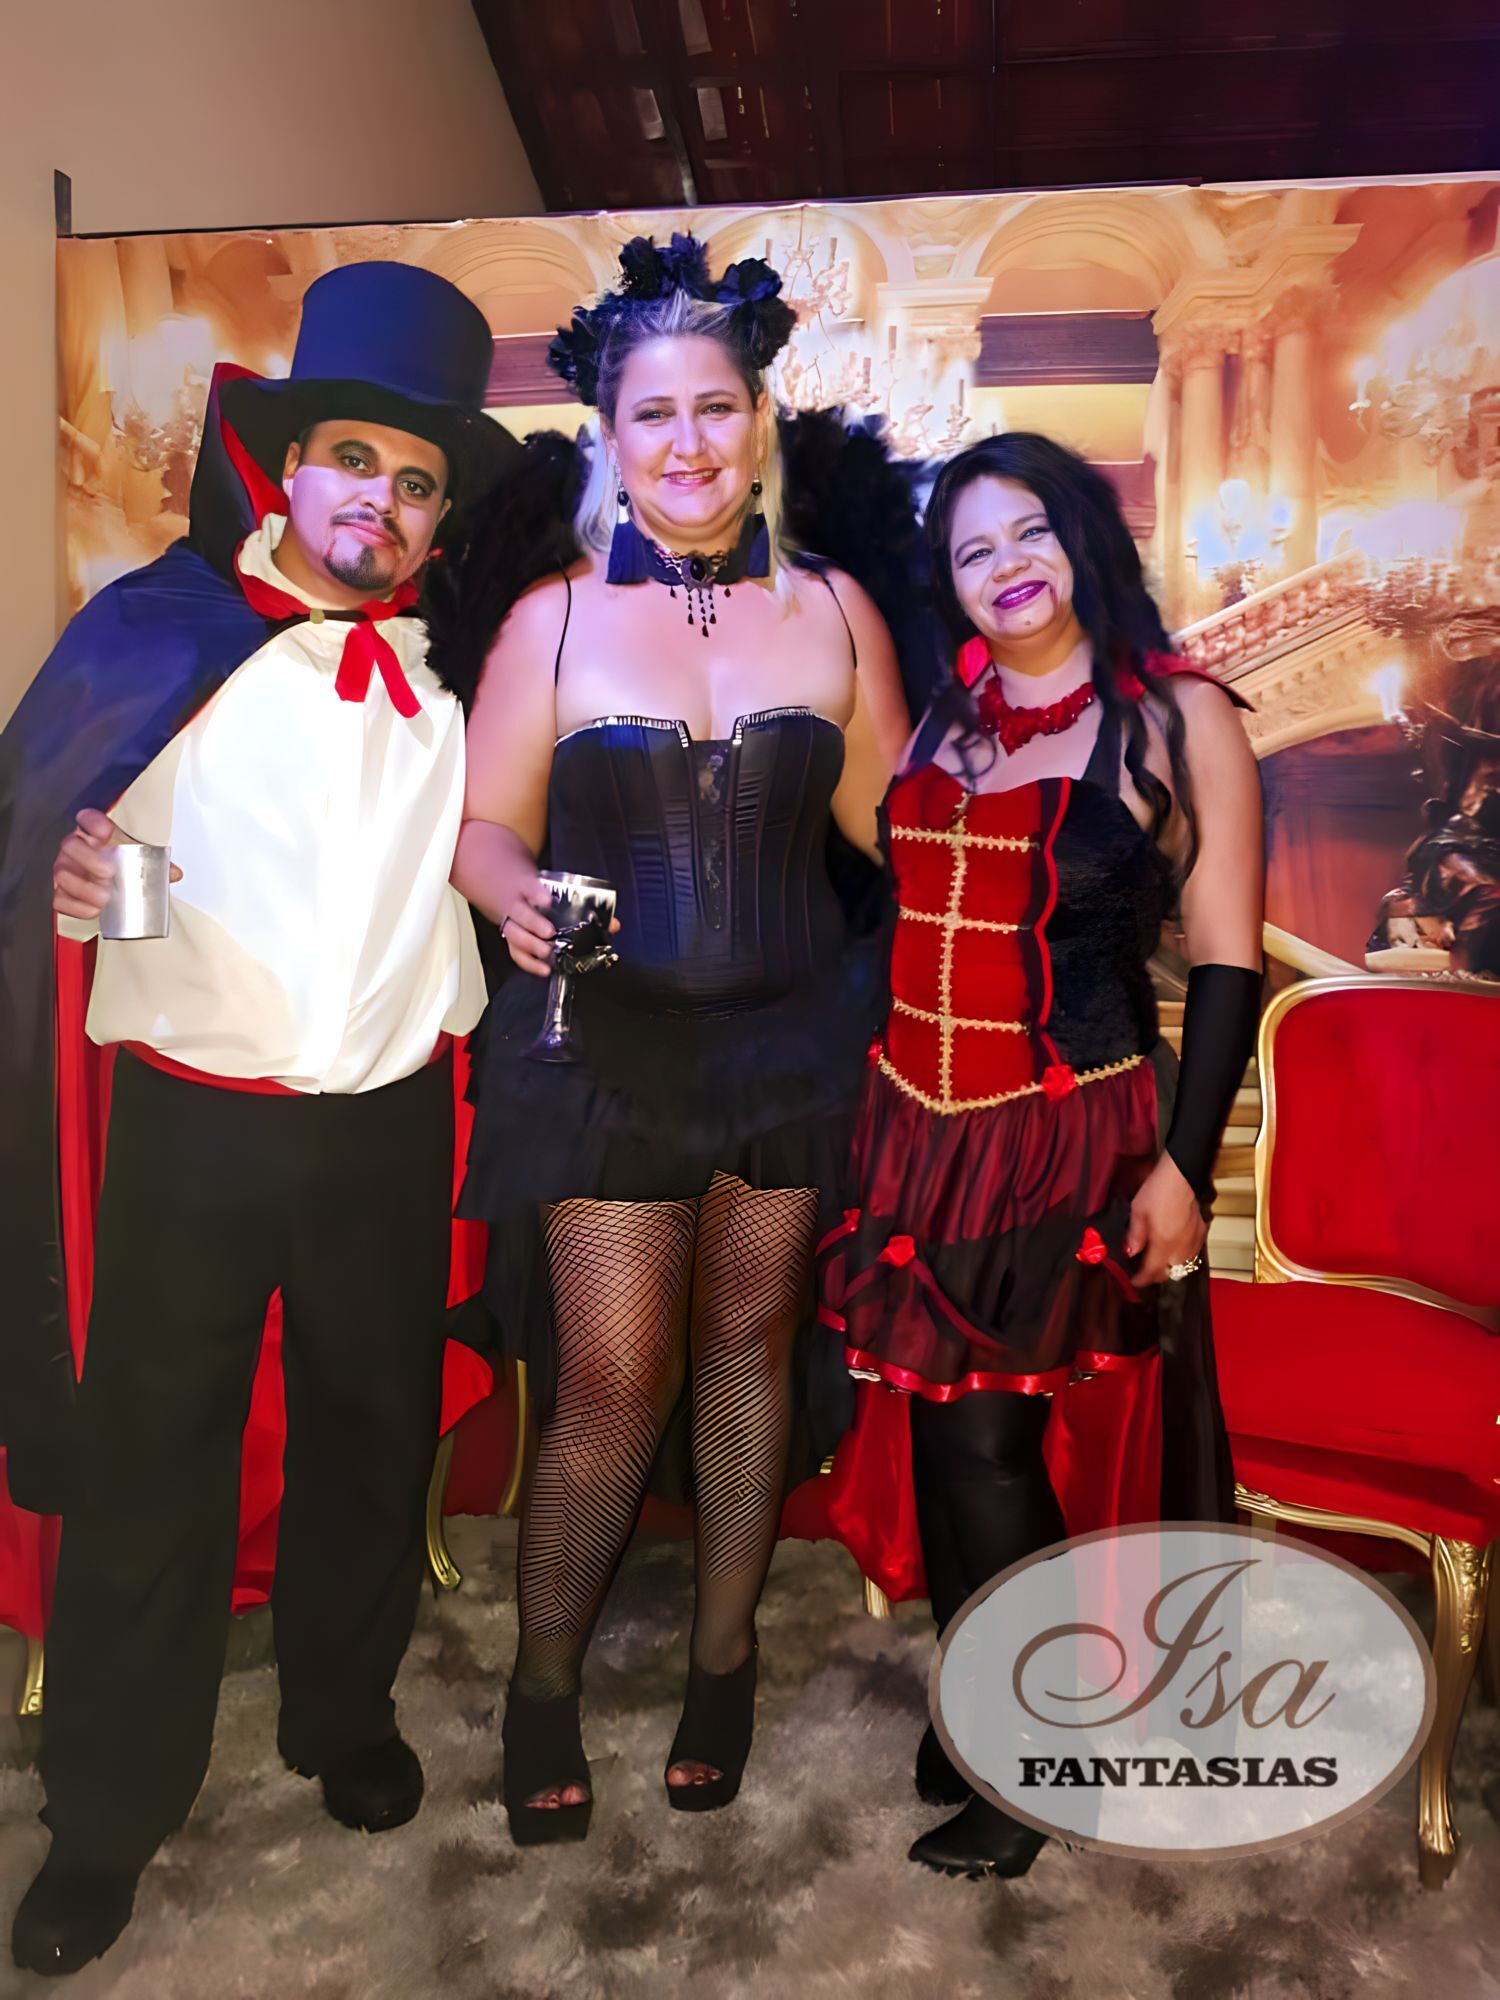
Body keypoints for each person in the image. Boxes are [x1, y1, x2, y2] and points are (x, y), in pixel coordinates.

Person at [2, 261, 518, 1975]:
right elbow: (63, 850)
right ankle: (102, 1817)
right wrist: (77, 886)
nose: (383, 500)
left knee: (372, 1439)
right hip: (193, 1128)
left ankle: (342, 1712)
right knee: (154, 1472)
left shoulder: (459, 677)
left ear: (438, 516)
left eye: (418, 480)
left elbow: (488, 853)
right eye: (354, 459)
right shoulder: (155, 631)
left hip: (388, 1128)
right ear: (288, 468)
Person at [443, 234, 910, 1843]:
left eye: (717, 407)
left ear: (759, 423)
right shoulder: (554, 621)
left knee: (747, 1349)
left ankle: (724, 1661)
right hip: (603, 1049)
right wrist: (511, 896)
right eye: (655, 414)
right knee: (613, 1374)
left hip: (793, 1042)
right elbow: (481, 829)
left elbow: (901, 827)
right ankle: (542, 1684)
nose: (690, 442)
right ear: (612, 437)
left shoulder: (834, 610)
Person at [815, 432, 1264, 1878]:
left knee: (992, 1441)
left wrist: (1184, 1168)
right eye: (972, 550)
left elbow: (1229, 963)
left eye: (1029, 533)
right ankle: (980, 1695)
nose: (1005, 568)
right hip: (916, 1123)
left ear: (1084, 540)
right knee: (942, 1431)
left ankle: (1032, 1761)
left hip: (1069, 1127)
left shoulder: (1180, 716)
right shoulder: (944, 719)